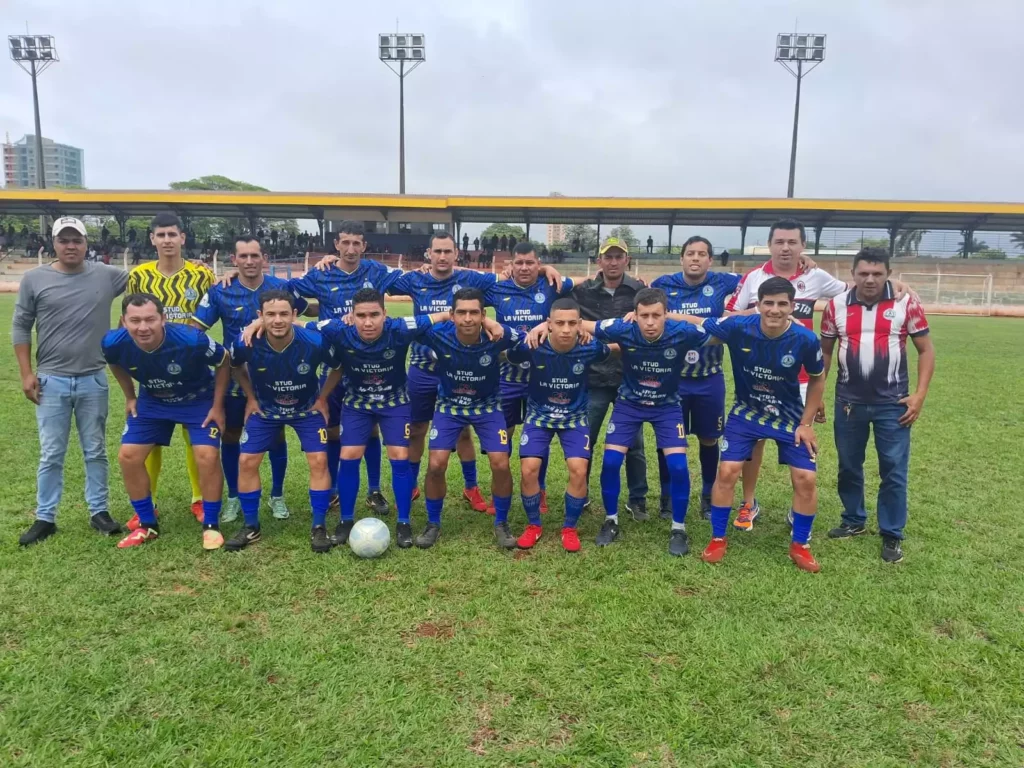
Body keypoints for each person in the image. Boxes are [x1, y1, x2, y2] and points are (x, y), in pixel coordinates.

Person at [313, 289, 470, 548]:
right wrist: (256, 323)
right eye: (361, 315)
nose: (368, 321)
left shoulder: (399, 328)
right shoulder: (338, 330)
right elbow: (296, 325)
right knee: (348, 455)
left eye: (374, 314)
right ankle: (346, 520)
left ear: (385, 315)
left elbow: (441, 316)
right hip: (357, 404)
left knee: (400, 456)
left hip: (394, 403)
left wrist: (487, 320)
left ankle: (404, 522)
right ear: (351, 316)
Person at [697, 277, 826, 572]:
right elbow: (699, 323)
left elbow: (818, 377)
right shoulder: (738, 327)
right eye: (769, 303)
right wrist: (664, 314)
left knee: (806, 479)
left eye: (782, 304)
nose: (775, 310)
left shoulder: (805, 338)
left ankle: (800, 545)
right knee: (727, 471)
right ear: (758, 305)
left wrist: (806, 423)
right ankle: (718, 538)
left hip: (789, 417)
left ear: (793, 306)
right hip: (746, 413)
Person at [13, 217, 129, 546]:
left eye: (76, 239)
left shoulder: (106, 275)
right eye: (63, 240)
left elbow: (150, 276)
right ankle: (45, 517)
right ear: (54, 244)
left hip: (93, 377)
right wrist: (26, 373)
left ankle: (99, 511)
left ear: (86, 243)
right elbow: (21, 326)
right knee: (51, 452)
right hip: (51, 381)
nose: (70, 246)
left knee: (95, 450)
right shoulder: (35, 279)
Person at [819, 248, 935, 563]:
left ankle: (892, 533)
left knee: (894, 470)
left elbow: (925, 350)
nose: (870, 280)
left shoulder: (905, 302)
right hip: (849, 403)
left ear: (888, 274)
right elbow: (825, 353)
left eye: (877, 274)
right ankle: (854, 520)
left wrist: (919, 395)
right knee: (848, 466)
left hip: (893, 403)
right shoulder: (836, 306)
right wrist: (816, 397)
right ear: (853, 274)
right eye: (864, 274)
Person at [192, 235, 309, 524]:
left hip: (275, 375)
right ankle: (233, 497)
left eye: (254, 255)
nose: (249, 261)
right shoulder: (222, 290)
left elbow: (303, 311)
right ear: (234, 260)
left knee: (276, 434)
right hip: (236, 375)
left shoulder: (281, 288)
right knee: (231, 436)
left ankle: (277, 495)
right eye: (242, 256)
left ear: (264, 258)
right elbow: (196, 328)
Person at [581, 289, 706, 554]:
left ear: (665, 315)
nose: (650, 322)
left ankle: (679, 528)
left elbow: (712, 327)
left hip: (667, 406)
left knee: (679, 467)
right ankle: (610, 520)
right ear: (634, 315)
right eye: (644, 316)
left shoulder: (681, 331)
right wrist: (546, 325)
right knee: (611, 461)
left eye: (656, 316)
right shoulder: (623, 328)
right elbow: (583, 324)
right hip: (630, 405)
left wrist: (675, 316)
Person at [102, 293, 231, 550]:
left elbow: (224, 360)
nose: (143, 327)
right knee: (128, 456)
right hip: (153, 401)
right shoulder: (112, 342)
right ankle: (147, 524)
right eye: (135, 320)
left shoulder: (190, 339)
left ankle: (211, 525)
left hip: (198, 399)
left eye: (150, 319)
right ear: (123, 321)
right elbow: (114, 363)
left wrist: (218, 406)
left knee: (206, 454)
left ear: (162, 318)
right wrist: (130, 396)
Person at [287, 221, 398, 516]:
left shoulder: (375, 271)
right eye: (345, 243)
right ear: (336, 244)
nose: (350, 249)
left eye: (356, 243)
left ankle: (374, 490)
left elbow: (415, 280)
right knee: (333, 429)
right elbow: (285, 291)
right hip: (333, 363)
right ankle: (334, 489)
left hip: (368, 364)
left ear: (364, 246)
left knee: (371, 427)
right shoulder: (321, 273)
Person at [227, 291, 338, 554]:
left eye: (283, 314)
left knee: (319, 461)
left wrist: (323, 398)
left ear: (294, 315)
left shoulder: (313, 341)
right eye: (271, 314)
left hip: (307, 409)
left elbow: (338, 366)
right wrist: (251, 398)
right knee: (246, 461)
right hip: (265, 409)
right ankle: (251, 525)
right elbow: (234, 365)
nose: (277, 320)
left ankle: (319, 526)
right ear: (260, 316)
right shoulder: (245, 342)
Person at [127, 213, 215, 524]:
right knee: (149, 439)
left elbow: (216, 304)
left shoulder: (201, 275)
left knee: (195, 437)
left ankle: (200, 499)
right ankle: (147, 503)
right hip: (153, 369)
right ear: (152, 239)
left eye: (172, 234)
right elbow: (131, 320)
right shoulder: (139, 276)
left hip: (194, 367)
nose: (166, 240)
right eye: (161, 234)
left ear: (182, 239)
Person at [415, 288, 521, 549]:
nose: (468, 318)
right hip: (449, 407)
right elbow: (403, 327)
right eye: (461, 312)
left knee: (500, 463)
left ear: (483, 315)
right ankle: (433, 523)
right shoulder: (438, 334)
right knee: (437, 464)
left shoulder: (496, 336)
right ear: (453, 315)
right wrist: (440, 317)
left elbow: (526, 338)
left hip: (487, 407)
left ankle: (502, 522)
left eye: (474, 312)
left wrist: (495, 324)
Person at [510, 299, 611, 552]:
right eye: (559, 323)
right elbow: (510, 355)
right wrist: (530, 332)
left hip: (574, 417)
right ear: (549, 324)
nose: (566, 329)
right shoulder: (534, 344)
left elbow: (612, 350)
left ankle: (569, 527)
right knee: (529, 469)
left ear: (579, 324)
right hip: (539, 415)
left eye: (571, 323)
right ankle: (534, 525)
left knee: (578, 469)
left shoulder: (590, 346)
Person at [651, 236, 740, 520]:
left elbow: (760, 277)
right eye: (690, 253)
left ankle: (708, 495)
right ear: (681, 258)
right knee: (668, 441)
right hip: (674, 379)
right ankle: (667, 498)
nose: (696, 258)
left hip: (709, 378)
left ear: (710, 260)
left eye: (702, 254)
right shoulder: (664, 284)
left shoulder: (724, 282)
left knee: (709, 439)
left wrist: (806, 262)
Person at [485, 242, 575, 513]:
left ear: (539, 265)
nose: (524, 268)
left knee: (539, 436)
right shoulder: (497, 288)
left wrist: (550, 269)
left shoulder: (552, 285)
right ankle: (500, 490)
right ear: (511, 265)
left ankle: (541, 489)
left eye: (531, 263)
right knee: (504, 435)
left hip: (542, 378)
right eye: (519, 263)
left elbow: (586, 281)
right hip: (506, 376)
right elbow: (465, 298)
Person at [571, 236, 649, 518]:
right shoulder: (583, 291)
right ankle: (580, 493)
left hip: (630, 379)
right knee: (585, 440)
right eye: (608, 256)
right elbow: (568, 318)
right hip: (593, 378)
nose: (614, 261)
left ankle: (638, 497)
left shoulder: (639, 290)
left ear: (627, 260)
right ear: (599, 261)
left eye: (619, 256)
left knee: (634, 444)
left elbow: (652, 319)